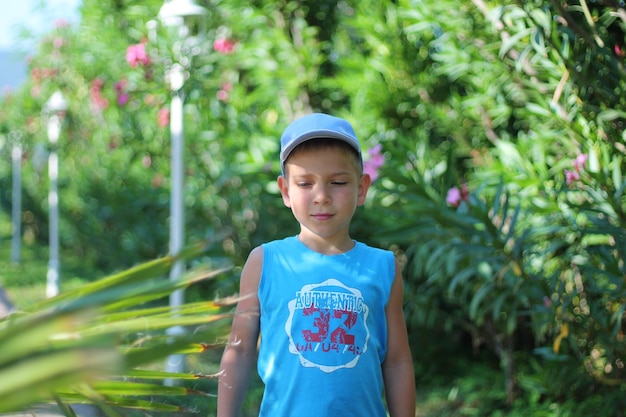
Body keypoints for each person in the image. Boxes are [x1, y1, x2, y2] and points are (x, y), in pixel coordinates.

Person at [217, 113, 416, 416]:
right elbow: (240, 350)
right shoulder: (265, 261)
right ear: (285, 191)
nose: (321, 197)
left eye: (337, 182)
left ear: (361, 188)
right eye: (305, 183)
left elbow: (397, 360)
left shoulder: (383, 267)